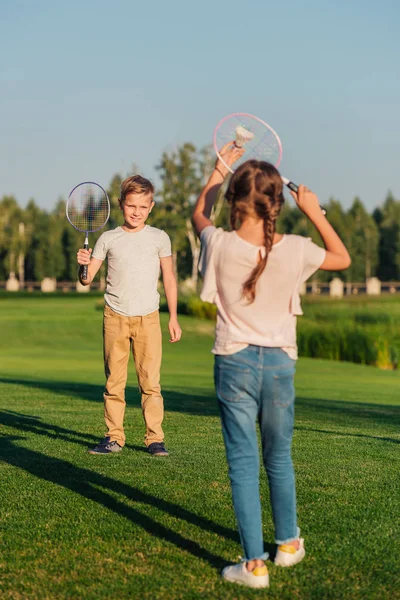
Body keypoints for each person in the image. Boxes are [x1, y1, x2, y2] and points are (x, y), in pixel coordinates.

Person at [192, 144, 351, 588]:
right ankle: (287, 545)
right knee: (278, 457)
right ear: (276, 204)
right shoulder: (298, 249)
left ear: (235, 202)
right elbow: (342, 258)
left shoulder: (218, 243)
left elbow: (198, 213)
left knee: (243, 463)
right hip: (280, 365)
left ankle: (254, 566)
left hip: (234, 363)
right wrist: (315, 211)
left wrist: (219, 168)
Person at [77, 175, 181, 457]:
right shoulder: (109, 238)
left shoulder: (160, 238)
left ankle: (155, 439)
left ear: (152, 206)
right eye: (131, 205)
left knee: (151, 383)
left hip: (148, 317)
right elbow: (87, 280)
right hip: (115, 316)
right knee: (114, 382)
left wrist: (173, 316)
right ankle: (114, 437)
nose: (137, 212)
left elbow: (169, 278)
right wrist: (83, 266)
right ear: (122, 204)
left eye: (143, 207)